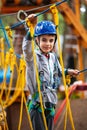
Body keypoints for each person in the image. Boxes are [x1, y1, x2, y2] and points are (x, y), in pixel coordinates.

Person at [22, 14, 79, 130]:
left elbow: (57, 71)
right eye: (44, 40)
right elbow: (26, 49)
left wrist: (68, 71)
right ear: (37, 40)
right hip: (37, 104)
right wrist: (31, 29)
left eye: (51, 40)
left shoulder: (53, 57)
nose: (48, 43)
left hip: (50, 102)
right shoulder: (33, 57)